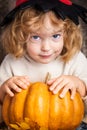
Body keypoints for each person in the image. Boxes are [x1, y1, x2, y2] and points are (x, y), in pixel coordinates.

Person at [0, 0, 87, 129]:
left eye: (56, 36)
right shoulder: (12, 62)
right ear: (19, 35)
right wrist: (4, 89)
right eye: (35, 37)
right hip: (22, 126)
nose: (46, 47)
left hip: (67, 126)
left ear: (67, 34)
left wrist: (78, 84)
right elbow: (2, 101)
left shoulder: (74, 59)